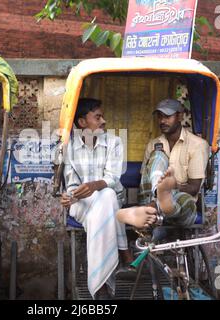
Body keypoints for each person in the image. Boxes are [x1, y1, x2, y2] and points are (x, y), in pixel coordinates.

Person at [61, 98, 132, 300]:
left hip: (110, 199)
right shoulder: (68, 148)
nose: (104, 121)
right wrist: (70, 198)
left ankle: (99, 287)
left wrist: (94, 186)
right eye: (98, 117)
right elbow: (72, 185)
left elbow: (112, 178)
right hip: (82, 203)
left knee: (107, 196)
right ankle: (123, 251)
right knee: (105, 202)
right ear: (82, 122)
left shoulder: (115, 143)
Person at [117, 99, 209, 230]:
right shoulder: (153, 144)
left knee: (182, 200)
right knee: (158, 154)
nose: (162, 121)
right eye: (160, 116)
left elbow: (194, 188)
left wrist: (172, 189)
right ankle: (159, 193)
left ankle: (159, 201)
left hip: (180, 208)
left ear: (180, 116)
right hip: (150, 198)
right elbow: (145, 180)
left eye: (167, 116)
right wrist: (160, 190)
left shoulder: (198, 145)